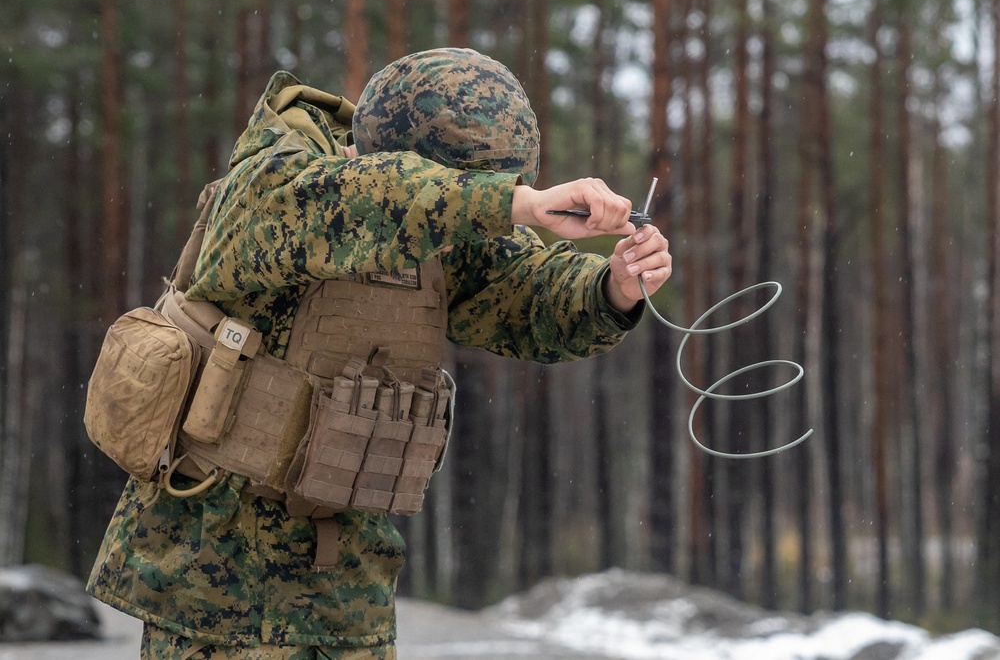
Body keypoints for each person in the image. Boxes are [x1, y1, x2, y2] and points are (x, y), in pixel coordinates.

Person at [87, 47, 672, 659]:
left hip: (346, 583)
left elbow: (519, 296)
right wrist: (508, 202)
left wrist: (613, 287)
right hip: (214, 572)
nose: (480, 200)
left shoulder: (438, 221)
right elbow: (355, 204)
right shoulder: (276, 183)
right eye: (468, 185)